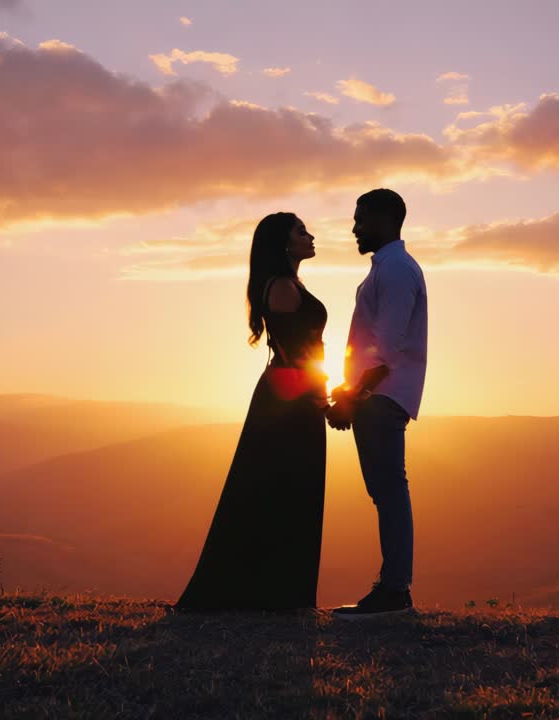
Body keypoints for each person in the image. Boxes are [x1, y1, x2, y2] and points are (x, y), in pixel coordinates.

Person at [173, 212, 328, 612]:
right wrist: (317, 395)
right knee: (280, 486)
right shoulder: (281, 287)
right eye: (301, 231)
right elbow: (298, 352)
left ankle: (281, 592)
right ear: (283, 243)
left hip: (294, 395)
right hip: (289, 398)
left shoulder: (289, 284)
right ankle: (271, 592)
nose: (310, 236)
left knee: (290, 487)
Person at [327, 188, 428, 619]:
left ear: (386, 219)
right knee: (385, 492)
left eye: (361, 219)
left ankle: (394, 591)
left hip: (381, 397)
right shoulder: (387, 268)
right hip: (377, 396)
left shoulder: (398, 269)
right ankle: (393, 588)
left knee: (388, 492)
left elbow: (385, 348)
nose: (354, 228)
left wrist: (353, 396)